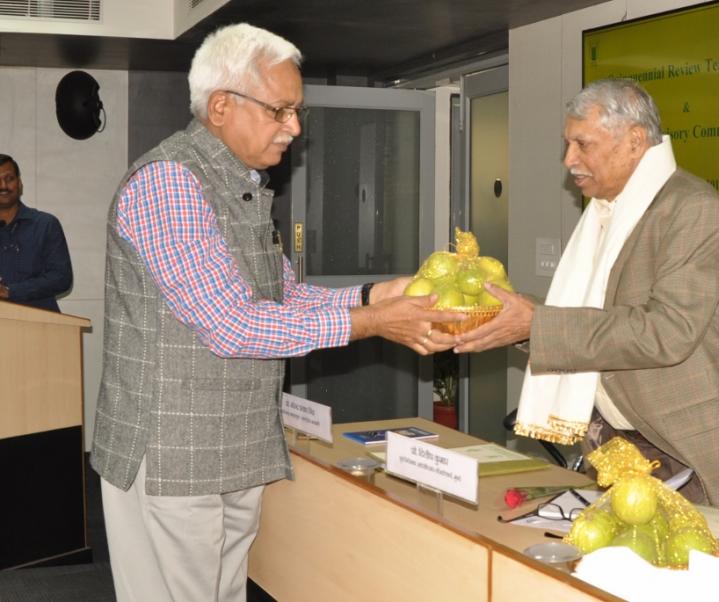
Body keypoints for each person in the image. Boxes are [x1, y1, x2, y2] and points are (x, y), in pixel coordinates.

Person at [91, 23, 461, 602]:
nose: (294, 127)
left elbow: (282, 299)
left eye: (296, 111)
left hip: (234, 445)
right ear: (221, 106)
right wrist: (372, 323)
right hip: (170, 452)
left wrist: (374, 296)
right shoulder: (170, 183)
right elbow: (232, 324)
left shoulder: (241, 185)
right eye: (280, 110)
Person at [455, 78, 719, 514]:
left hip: (684, 449)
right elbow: (595, 316)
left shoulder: (690, 207)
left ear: (634, 141)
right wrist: (513, 317)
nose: (569, 160)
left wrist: (537, 323)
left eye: (582, 144)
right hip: (614, 446)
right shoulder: (606, 210)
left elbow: (667, 332)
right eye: (567, 145)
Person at [0, 154, 73, 312]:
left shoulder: (45, 224)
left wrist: (10, 291)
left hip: (40, 322)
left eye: (9, 178)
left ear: (19, 183)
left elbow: (62, 278)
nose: (3, 186)